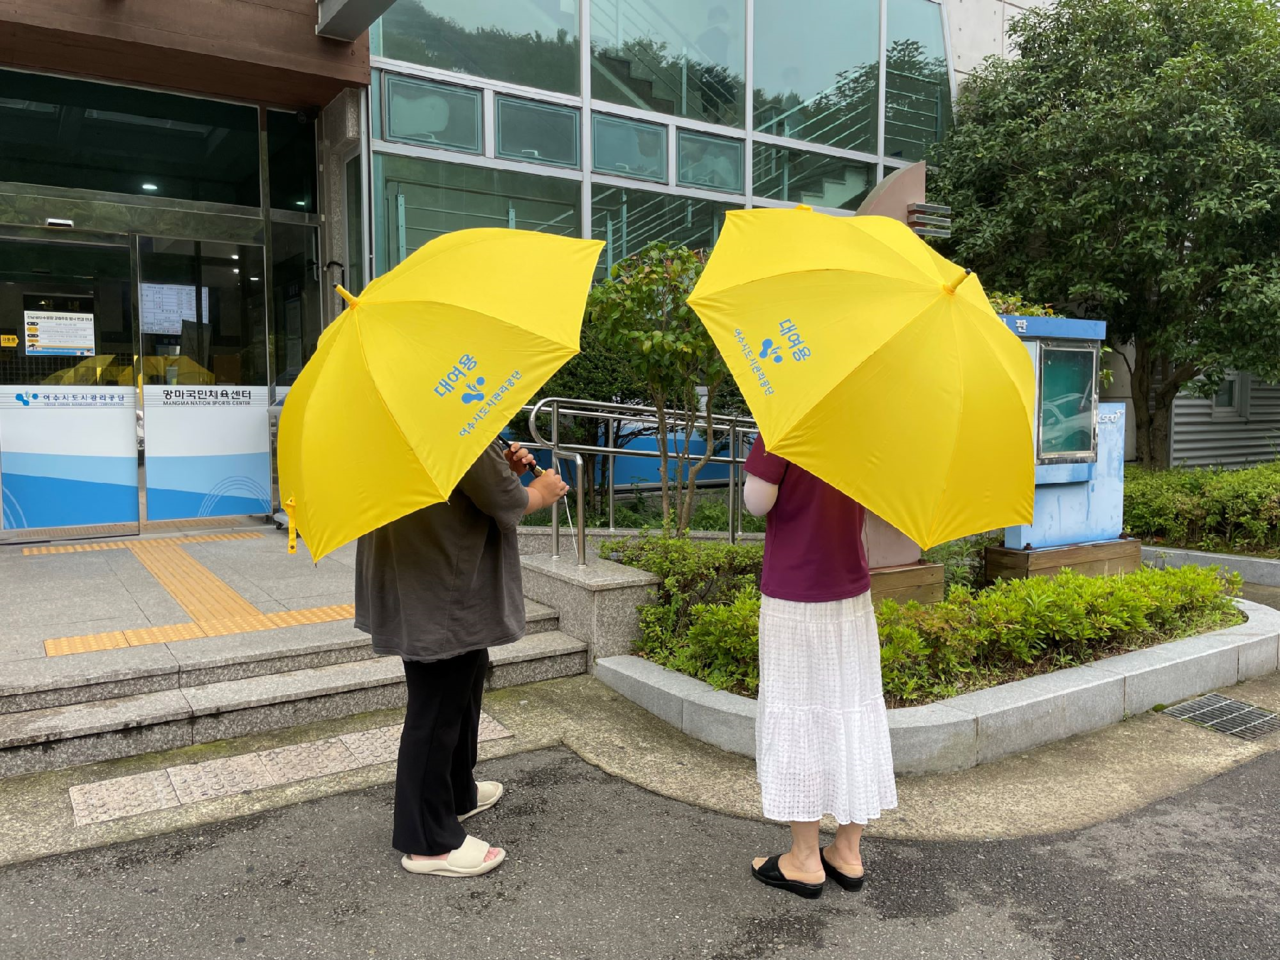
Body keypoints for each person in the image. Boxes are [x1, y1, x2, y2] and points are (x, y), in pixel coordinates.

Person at [355, 440, 569, 878]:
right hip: (442, 583)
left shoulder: (397, 425)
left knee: (462, 689)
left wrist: (500, 469)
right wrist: (541, 490)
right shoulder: (451, 425)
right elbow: (506, 500)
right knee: (436, 710)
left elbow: (470, 483)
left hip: (424, 570)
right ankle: (428, 841)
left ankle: (456, 793)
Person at [742, 435, 897, 899]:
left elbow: (756, 502)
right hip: (851, 594)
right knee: (854, 710)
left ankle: (805, 859)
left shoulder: (785, 428)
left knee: (799, 717)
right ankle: (847, 851)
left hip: (794, 596)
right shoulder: (862, 430)